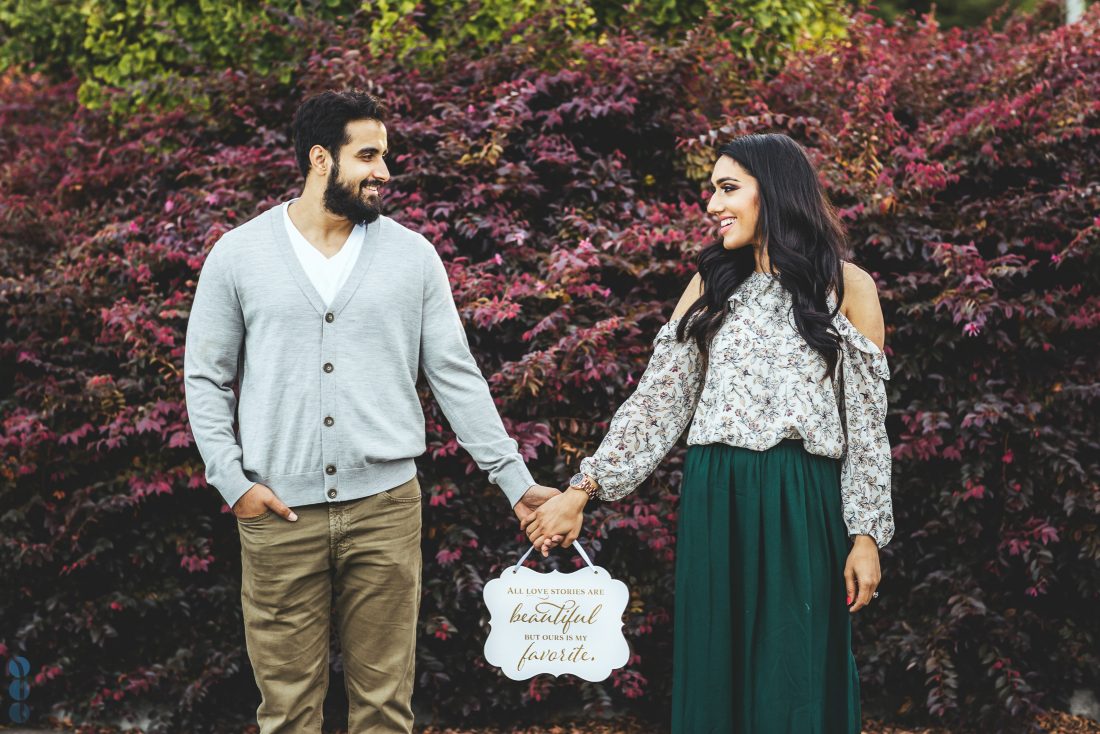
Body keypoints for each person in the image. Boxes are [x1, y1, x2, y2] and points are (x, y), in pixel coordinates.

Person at [183, 90, 559, 734]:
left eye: (385, 154)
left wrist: (516, 484)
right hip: (276, 515)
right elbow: (205, 377)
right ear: (321, 159)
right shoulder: (238, 255)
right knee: (288, 710)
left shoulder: (412, 257)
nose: (385, 170)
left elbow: (456, 378)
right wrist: (233, 483)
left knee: (385, 708)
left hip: (385, 510)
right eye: (369, 155)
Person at [522, 132, 895, 732]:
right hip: (716, 498)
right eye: (712, 190)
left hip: (803, 500)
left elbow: (867, 430)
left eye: (728, 188)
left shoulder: (850, 288)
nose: (712, 205)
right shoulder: (709, 287)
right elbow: (656, 406)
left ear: (773, 192)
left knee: (794, 669)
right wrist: (582, 489)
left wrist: (866, 535)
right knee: (714, 668)